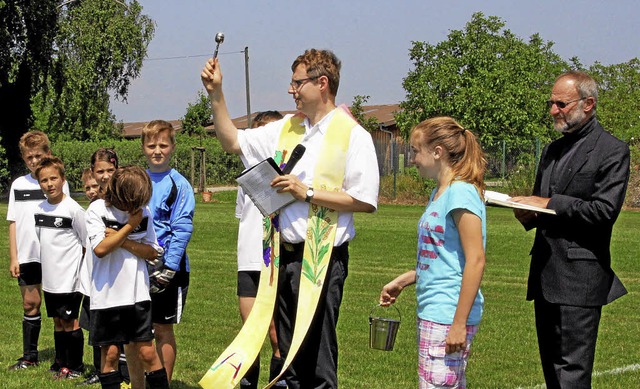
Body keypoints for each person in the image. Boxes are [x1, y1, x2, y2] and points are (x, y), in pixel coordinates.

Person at [201, 48, 380, 388]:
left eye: (297, 83)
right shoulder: (287, 127)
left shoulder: (352, 134)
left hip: (323, 259)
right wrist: (216, 94)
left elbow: (364, 200)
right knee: (286, 355)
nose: (291, 89)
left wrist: (307, 192)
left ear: (321, 83)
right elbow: (233, 142)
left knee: (317, 353)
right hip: (281, 258)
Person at [511, 70, 630, 388]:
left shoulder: (612, 151)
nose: (553, 110)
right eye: (551, 103)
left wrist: (550, 203)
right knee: (553, 374)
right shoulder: (551, 151)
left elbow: (604, 212)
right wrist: (526, 213)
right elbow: (542, 206)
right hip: (545, 277)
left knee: (572, 376)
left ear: (588, 103)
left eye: (561, 104)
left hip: (580, 280)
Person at [379, 117, 487, 389]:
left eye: (416, 151)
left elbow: (475, 260)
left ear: (437, 152)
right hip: (434, 310)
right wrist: (404, 280)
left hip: (447, 313)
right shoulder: (440, 193)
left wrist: (458, 323)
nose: (413, 159)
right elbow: (446, 257)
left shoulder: (461, 193)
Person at [85, 165, 169, 389]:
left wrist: (122, 238)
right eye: (132, 202)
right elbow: (101, 249)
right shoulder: (97, 211)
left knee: (148, 353)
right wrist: (130, 226)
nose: (136, 207)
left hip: (137, 295)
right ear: (119, 194)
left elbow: (152, 252)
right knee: (110, 354)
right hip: (106, 296)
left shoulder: (143, 212)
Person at [6, 131, 69, 370]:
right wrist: (14, 256)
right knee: (30, 304)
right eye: (28, 157)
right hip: (27, 256)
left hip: (54, 256)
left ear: (48, 154)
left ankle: (61, 359)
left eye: (38, 156)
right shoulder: (18, 185)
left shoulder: (57, 182)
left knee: (56, 309)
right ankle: (29, 357)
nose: (33, 161)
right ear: (23, 158)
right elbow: (13, 222)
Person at [235, 111, 287, 389]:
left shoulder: (290, 173)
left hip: (277, 261)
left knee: (277, 335)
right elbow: (243, 216)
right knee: (249, 335)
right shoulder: (247, 175)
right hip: (249, 260)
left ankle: (278, 382)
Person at [141, 120, 195, 384]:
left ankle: (164, 383)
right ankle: (143, 378)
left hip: (168, 268)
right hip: (138, 264)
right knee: (140, 330)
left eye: (163, 145)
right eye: (151, 145)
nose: (157, 151)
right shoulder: (137, 180)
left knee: (162, 328)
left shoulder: (179, 184)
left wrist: (169, 267)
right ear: (143, 148)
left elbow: (182, 228)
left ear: (172, 147)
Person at [34, 156, 87, 379]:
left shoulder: (73, 209)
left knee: (69, 321)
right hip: (50, 279)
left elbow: (85, 242)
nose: (49, 184)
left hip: (69, 278)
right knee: (57, 321)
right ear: (40, 184)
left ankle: (75, 366)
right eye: (44, 180)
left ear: (63, 179)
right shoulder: (40, 209)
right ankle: (60, 361)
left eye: (53, 178)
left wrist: (78, 271)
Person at [78, 168, 102, 385]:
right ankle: (97, 369)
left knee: (104, 329)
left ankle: (108, 370)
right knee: (93, 330)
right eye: (88, 187)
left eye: (96, 186)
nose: (92, 191)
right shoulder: (89, 211)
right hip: (89, 279)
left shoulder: (107, 210)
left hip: (103, 280)